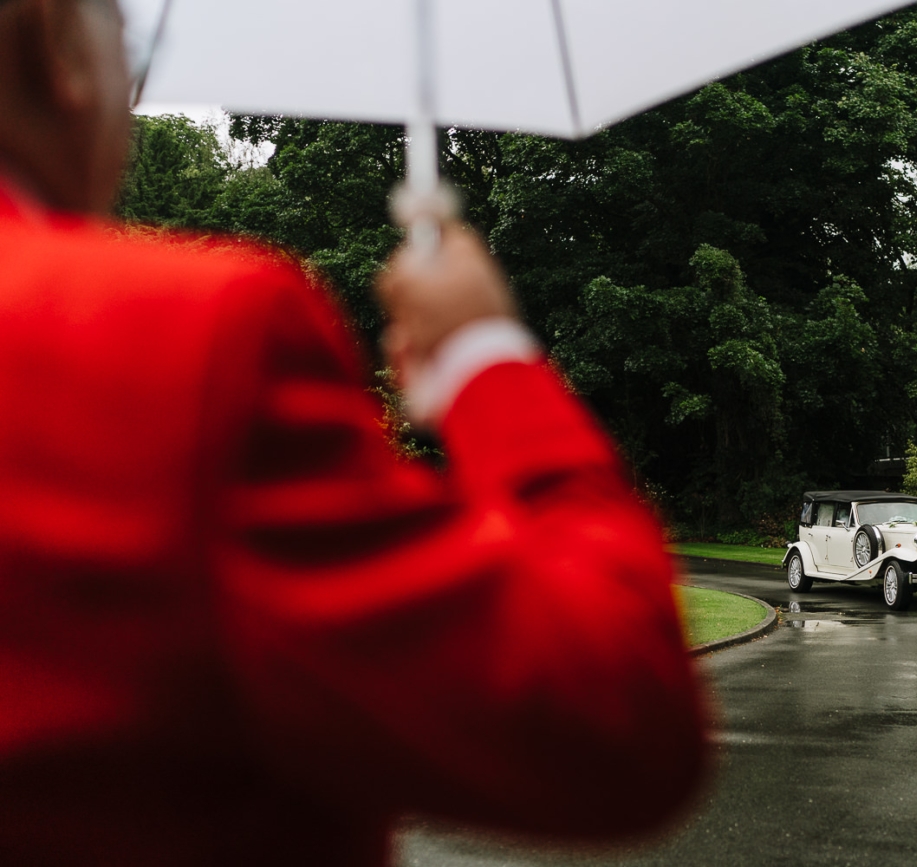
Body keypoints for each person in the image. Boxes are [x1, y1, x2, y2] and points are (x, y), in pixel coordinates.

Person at [0, 0, 707, 865]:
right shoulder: (199, 341)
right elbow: (616, 718)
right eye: (125, 41)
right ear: (55, 53)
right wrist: (487, 359)